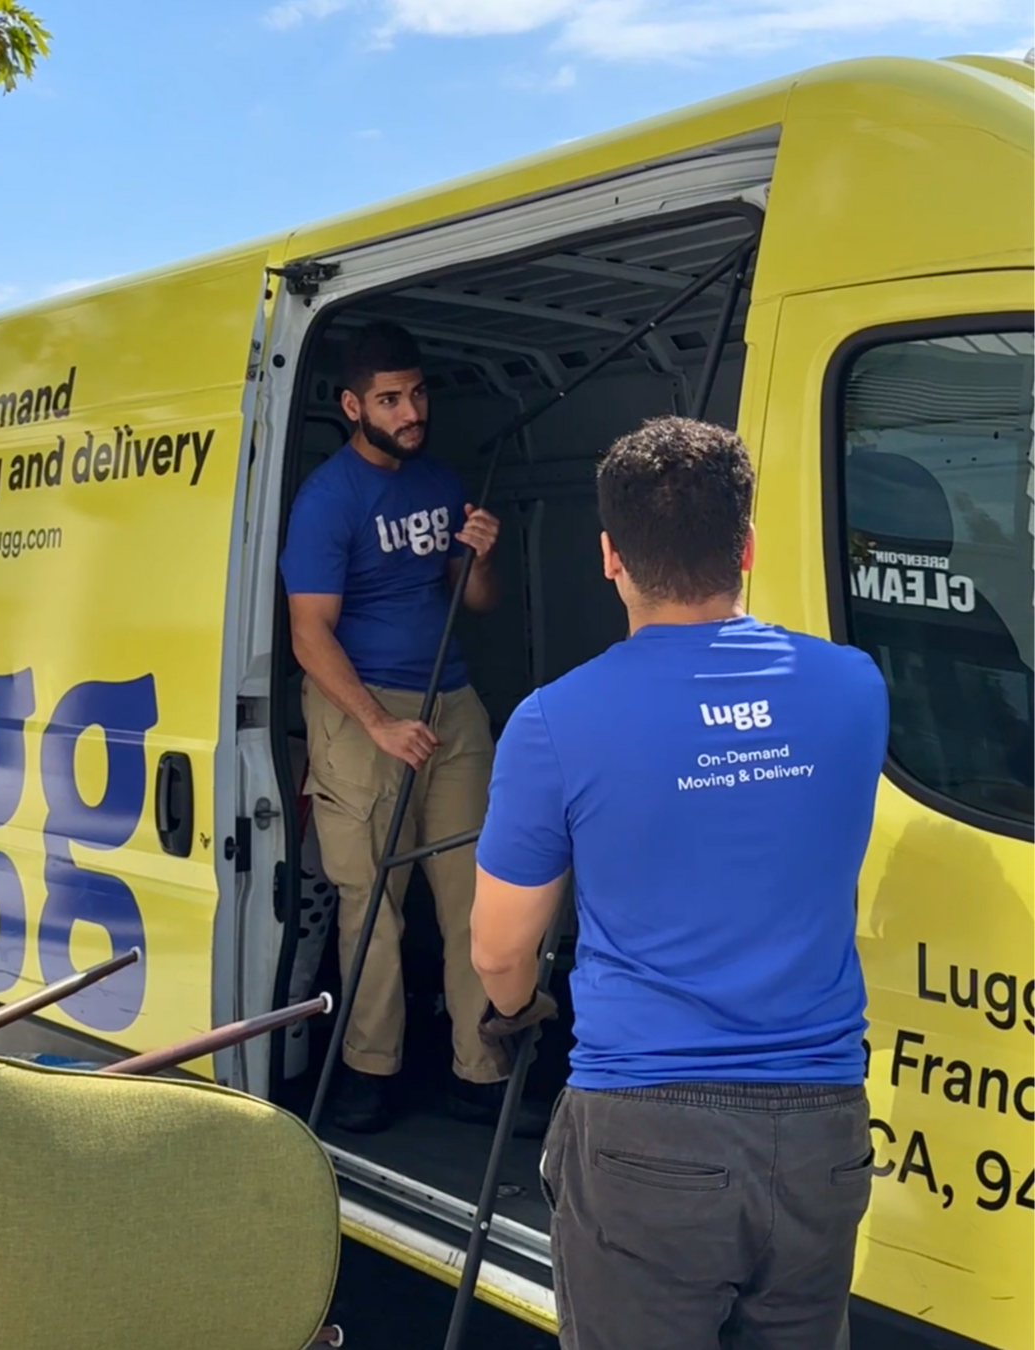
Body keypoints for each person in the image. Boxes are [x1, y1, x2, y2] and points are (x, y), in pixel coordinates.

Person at [471, 416, 889, 1349]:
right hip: (823, 1129)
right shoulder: (855, 687)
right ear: (745, 546)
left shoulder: (552, 723)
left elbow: (499, 949)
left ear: (610, 557)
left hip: (647, 1135)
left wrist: (518, 1010)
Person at [280, 320, 544, 1137]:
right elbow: (308, 635)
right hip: (360, 710)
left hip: (452, 703)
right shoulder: (328, 499)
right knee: (374, 901)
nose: (411, 409)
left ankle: (481, 1068)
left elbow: (476, 602)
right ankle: (368, 1070)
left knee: (476, 888)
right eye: (390, 399)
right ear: (353, 405)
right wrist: (378, 724)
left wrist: (483, 557)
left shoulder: (438, 481)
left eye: (418, 392)